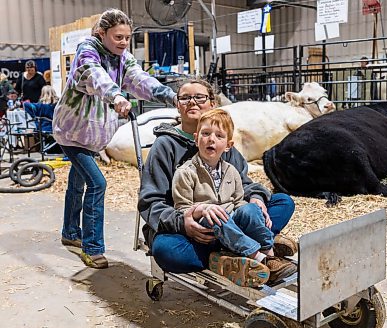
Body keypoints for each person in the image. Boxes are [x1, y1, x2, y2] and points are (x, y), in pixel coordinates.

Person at [52, 8, 176, 269]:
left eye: (127, 37)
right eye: (118, 37)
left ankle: (70, 232)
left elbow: (140, 80)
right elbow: (96, 76)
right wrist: (117, 96)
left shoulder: (124, 58)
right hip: (71, 132)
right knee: (97, 183)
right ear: (102, 32)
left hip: (91, 136)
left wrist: (171, 95)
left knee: (77, 183)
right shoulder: (87, 51)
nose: (123, 42)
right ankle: (93, 247)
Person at [138, 78, 297, 280]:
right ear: (177, 105)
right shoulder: (164, 145)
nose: (192, 102)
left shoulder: (222, 142)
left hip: (230, 216)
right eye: (185, 98)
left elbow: (243, 184)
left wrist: (256, 198)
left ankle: (238, 251)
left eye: (199, 97)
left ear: (212, 103)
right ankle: (241, 251)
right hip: (194, 228)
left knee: (283, 201)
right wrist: (183, 222)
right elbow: (150, 202)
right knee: (166, 250)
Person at [172, 108, 296, 286]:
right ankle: (258, 257)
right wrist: (201, 210)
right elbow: (182, 209)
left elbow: (239, 202)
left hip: (232, 221)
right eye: (205, 134)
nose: (211, 139)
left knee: (251, 208)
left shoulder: (231, 171)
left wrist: (257, 212)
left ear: (228, 145)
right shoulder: (185, 172)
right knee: (217, 216)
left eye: (219, 136)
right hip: (206, 224)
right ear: (196, 138)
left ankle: (269, 252)